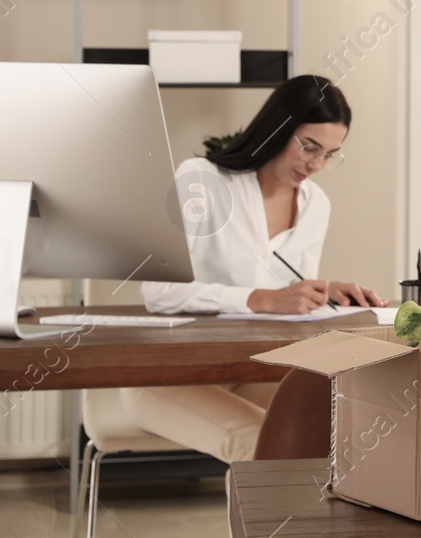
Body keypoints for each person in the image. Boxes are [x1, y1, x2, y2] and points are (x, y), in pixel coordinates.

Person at [124, 75, 383, 464]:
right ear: (277, 128)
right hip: (168, 376)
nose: (316, 164)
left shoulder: (315, 205)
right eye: (309, 147)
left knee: (340, 433)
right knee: (265, 447)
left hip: (251, 369)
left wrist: (322, 291)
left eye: (329, 154)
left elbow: (286, 299)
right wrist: (259, 298)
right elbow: (157, 294)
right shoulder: (203, 182)